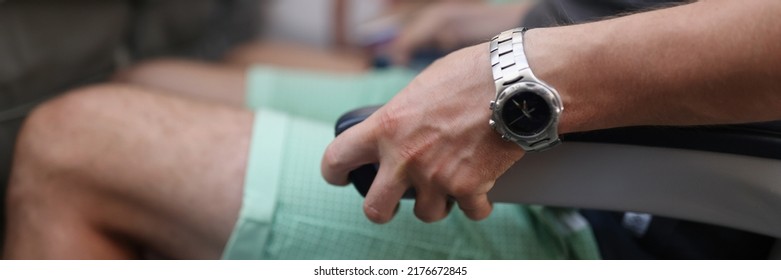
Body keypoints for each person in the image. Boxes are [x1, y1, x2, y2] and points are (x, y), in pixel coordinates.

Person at [4, 0, 779, 259]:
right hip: (556, 73)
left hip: (618, 197)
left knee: (71, 145)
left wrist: (517, 77)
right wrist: (521, 16)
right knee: (154, 81)